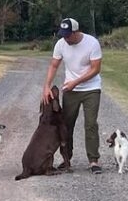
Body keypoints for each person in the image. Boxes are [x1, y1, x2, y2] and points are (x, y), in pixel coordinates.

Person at [43, 17, 103, 174]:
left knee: (90, 124)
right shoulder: (61, 44)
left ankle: (93, 160)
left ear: (77, 32)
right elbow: (54, 65)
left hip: (91, 88)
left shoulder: (92, 43)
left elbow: (95, 69)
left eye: (68, 35)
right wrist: (46, 86)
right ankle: (66, 158)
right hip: (70, 90)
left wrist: (76, 82)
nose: (66, 38)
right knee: (66, 125)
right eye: (63, 35)